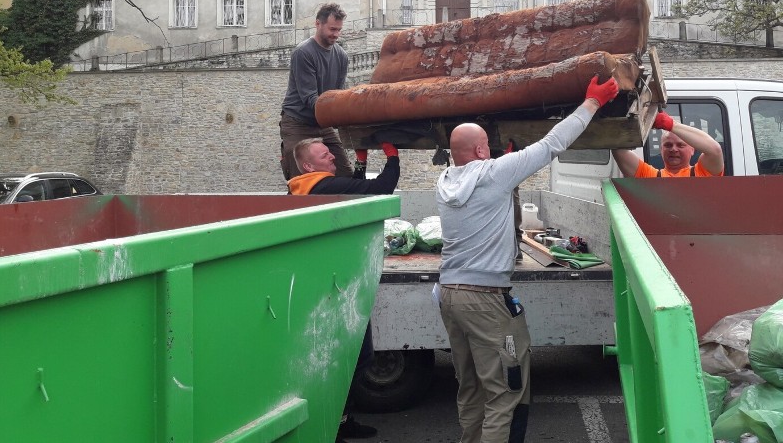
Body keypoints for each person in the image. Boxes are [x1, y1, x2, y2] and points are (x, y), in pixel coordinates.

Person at [436, 75, 620, 443]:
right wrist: (592, 102)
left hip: (449, 294)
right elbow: (552, 144)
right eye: (486, 146)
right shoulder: (494, 173)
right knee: (506, 390)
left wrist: (504, 159)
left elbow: (489, 182)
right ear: (481, 151)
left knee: (470, 388)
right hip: (486, 301)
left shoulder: (446, 181)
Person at [288, 138, 400, 442]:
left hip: (330, 284)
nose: (333, 158)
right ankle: (333, 427)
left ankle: (343, 421)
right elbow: (380, 189)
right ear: (310, 166)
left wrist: (361, 162)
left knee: (353, 357)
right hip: (332, 290)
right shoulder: (322, 187)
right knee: (353, 358)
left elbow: (351, 189)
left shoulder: (306, 187)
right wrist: (392, 156)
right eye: (326, 156)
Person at [279, 2, 353, 182]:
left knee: (346, 174)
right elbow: (310, 99)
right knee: (301, 181)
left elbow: (337, 96)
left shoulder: (341, 56)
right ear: (317, 24)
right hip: (297, 122)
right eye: (332, 29)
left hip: (322, 123)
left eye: (339, 30)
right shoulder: (303, 53)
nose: (336, 34)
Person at [612, 110, 724, 178]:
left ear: (692, 150)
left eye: (680, 145)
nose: (673, 149)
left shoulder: (703, 173)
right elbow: (618, 149)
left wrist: (671, 124)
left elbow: (715, 150)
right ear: (661, 150)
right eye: (668, 145)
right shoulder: (650, 176)